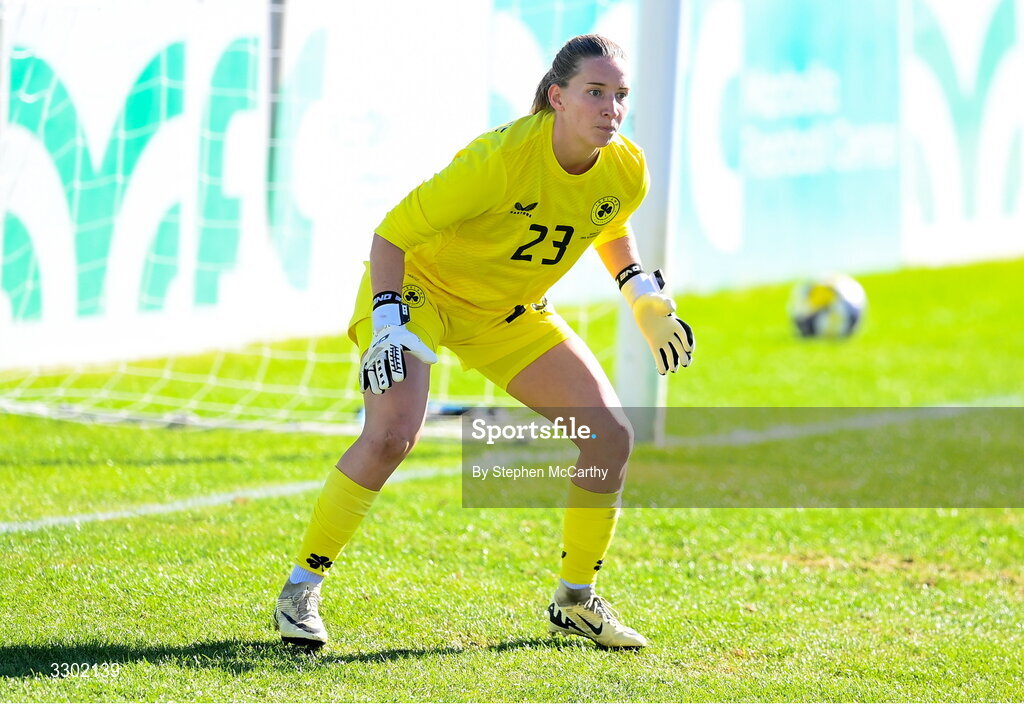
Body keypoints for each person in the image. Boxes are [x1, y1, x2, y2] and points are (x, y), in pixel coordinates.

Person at [273, 34, 693, 651]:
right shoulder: (499, 160)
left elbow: (607, 219)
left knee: (609, 435)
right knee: (392, 435)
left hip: (505, 313)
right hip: (419, 292)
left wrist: (642, 298)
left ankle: (576, 599)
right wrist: (389, 323)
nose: (611, 109)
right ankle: (299, 590)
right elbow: (391, 234)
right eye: (595, 93)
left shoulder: (628, 168)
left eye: (620, 96)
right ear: (557, 97)